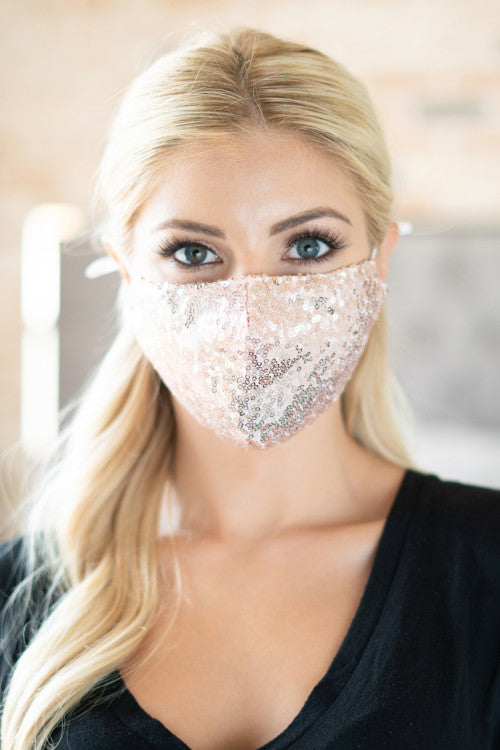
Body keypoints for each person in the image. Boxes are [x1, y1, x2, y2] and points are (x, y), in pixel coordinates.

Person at [1, 27, 499, 750]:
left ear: (380, 258)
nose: (252, 316)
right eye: (193, 252)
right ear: (129, 274)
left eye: (307, 246)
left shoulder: (487, 568)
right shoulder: (17, 599)